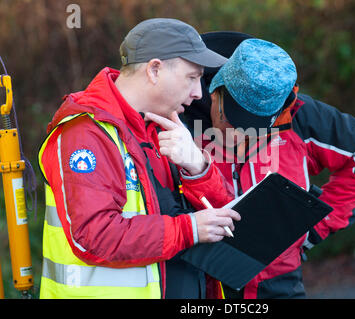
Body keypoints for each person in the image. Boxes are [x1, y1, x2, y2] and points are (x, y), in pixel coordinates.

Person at [37, 18, 241, 299]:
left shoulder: (163, 125)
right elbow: (95, 237)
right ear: (155, 69)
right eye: (192, 77)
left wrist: (198, 167)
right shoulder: (84, 133)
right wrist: (189, 228)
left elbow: (222, 218)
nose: (198, 93)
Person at [176, 33, 355, 299]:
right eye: (232, 120)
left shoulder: (298, 114)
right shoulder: (177, 110)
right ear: (217, 89)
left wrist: (312, 230)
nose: (238, 136)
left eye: (253, 128)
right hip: (201, 283)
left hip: (279, 283)